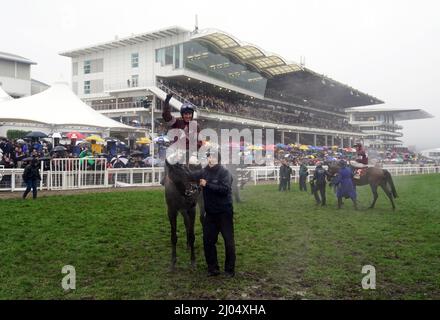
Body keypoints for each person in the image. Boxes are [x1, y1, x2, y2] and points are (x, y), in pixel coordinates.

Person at [189, 149, 236, 277]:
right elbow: (191, 175)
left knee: (228, 241)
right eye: (209, 157)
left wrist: (207, 184)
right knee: (208, 241)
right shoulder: (204, 171)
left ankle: (229, 270)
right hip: (210, 214)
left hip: (224, 212)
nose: (210, 159)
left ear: (218, 159)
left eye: (213, 157)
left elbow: (225, 189)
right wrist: (180, 166)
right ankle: (213, 268)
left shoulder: (224, 172)